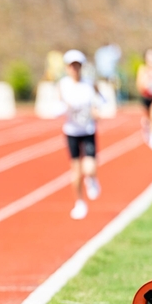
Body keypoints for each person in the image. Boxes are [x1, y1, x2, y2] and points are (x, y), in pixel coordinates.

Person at [58, 49, 103, 220]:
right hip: (72, 132)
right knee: (76, 171)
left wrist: (96, 112)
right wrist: (65, 107)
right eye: (71, 66)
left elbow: (100, 102)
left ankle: (91, 178)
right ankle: (79, 202)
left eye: (77, 65)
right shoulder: (63, 85)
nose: (74, 69)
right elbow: (56, 107)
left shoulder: (88, 85)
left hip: (88, 130)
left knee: (89, 167)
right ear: (67, 67)